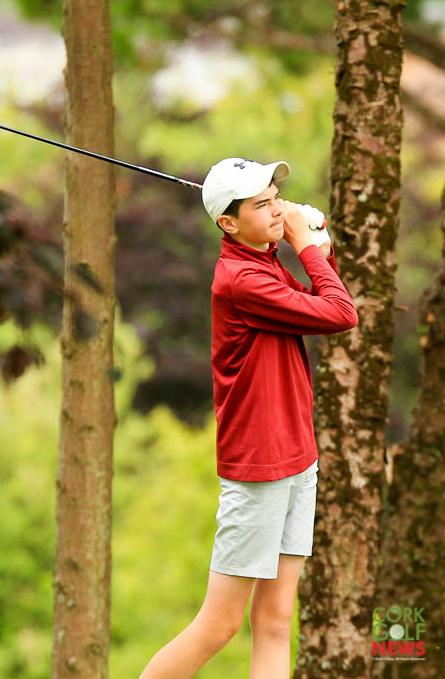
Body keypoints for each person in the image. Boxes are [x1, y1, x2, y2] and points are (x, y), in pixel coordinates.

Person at [138, 158, 359, 679]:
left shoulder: (265, 261)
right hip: (260, 467)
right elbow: (341, 314)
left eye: (276, 195)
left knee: (276, 620)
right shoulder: (241, 280)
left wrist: (316, 247)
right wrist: (308, 245)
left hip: (297, 458)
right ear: (228, 223)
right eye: (262, 204)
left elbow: (319, 299)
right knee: (219, 626)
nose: (278, 208)